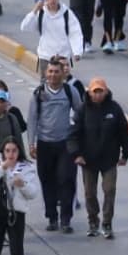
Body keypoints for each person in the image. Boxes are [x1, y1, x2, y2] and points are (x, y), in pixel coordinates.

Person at [69, 77, 128, 239]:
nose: (97, 95)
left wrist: (126, 154)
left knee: (109, 190)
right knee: (90, 193)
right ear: (89, 93)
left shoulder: (114, 109)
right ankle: (93, 221)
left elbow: (124, 133)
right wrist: (76, 154)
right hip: (88, 160)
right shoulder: (82, 110)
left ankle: (107, 223)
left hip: (109, 160)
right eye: (94, 92)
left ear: (106, 92)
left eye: (100, 91)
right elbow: (73, 134)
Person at [27, 60, 83, 234]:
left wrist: (78, 137)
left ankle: (66, 219)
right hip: (44, 144)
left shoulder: (69, 91)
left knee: (67, 179)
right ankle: (52, 217)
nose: (53, 75)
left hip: (65, 144)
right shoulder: (38, 94)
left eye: (56, 71)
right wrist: (31, 143)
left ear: (63, 73)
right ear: (45, 73)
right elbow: (32, 119)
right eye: (50, 71)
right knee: (47, 181)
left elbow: (80, 113)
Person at [20, 0, 85, 67]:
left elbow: (75, 32)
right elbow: (25, 27)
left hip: (63, 57)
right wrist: (35, 10)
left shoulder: (67, 13)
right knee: (45, 80)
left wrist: (77, 52)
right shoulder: (41, 13)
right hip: (45, 56)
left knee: (63, 80)